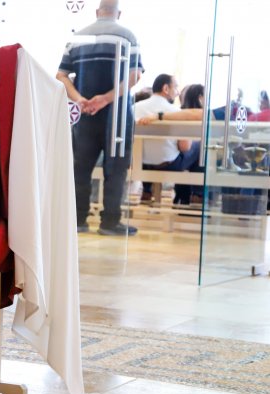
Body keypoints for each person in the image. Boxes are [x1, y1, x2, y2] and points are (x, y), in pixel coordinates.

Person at [56, 0, 144, 236]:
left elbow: (61, 75)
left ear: (97, 12)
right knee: (116, 169)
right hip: (117, 116)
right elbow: (135, 75)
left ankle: (77, 219)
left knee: (80, 168)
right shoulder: (127, 36)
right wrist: (105, 99)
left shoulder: (77, 38)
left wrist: (80, 100)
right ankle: (110, 222)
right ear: (118, 13)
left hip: (84, 114)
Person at [134, 74, 200, 204]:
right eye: (175, 88)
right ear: (166, 88)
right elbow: (184, 147)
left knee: (147, 151)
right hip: (169, 166)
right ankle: (197, 195)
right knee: (199, 147)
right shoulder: (175, 112)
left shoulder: (134, 107)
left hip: (141, 164)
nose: (177, 92)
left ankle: (147, 190)